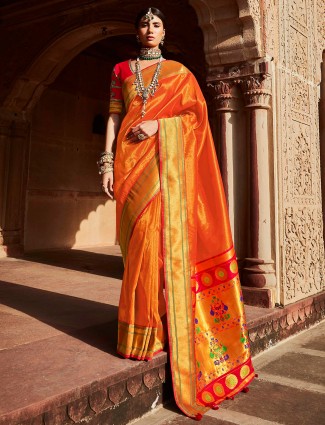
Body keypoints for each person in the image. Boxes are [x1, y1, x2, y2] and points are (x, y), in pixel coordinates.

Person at [99, 7, 255, 420]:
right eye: (143, 24)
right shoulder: (120, 70)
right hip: (129, 163)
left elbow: (195, 116)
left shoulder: (180, 74)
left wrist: (157, 126)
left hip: (161, 160)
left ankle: (158, 330)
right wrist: (106, 162)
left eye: (155, 24)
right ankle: (137, 330)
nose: (148, 29)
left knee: (158, 243)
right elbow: (114, 116)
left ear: (164, 32)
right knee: (134, 246)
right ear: (136, 31)